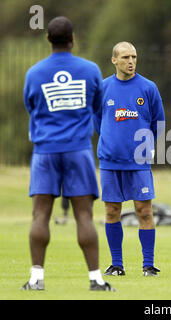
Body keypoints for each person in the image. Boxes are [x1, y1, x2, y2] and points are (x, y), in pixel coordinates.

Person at [22, 16, 114, 291]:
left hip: (45, 151)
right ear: (73, 39)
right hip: (78, 150)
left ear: (47, 39)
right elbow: (96, 105)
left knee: (40, 214)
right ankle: (96, 280)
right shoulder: (90, 69)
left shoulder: (34, 73)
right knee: (84, 215)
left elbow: (31, 105)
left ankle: (36, 279)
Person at [94, 42, 165, 277]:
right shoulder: (102, 88)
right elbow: (97, 121)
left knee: (144, 211)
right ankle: (116, 265)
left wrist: (143, 148)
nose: (131, 61)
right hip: (110, 161)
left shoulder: (148, 88)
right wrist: (111, 142)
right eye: (125, 57)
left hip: (139, 162)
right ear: (114, 60)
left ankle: (149, 265)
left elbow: (158, 124)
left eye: (134, 56)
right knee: (112, 210)